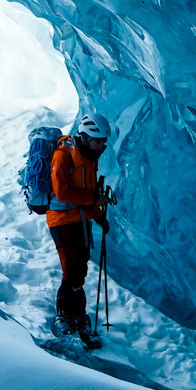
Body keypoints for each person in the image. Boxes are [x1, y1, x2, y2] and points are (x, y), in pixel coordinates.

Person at [48, 113, 112, 347]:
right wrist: (94, 201)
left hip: (80, 220)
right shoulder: (63, 155)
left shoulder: (90, 159)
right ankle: (65, 316)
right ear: (86, 137)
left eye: (104, 142)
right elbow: (63, 193)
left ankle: (77, 317)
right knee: (72, 271)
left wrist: (98, 217)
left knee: (79, 271)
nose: (102, 146)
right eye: (99, 142)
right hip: (62, 220)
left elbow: (89, 195)